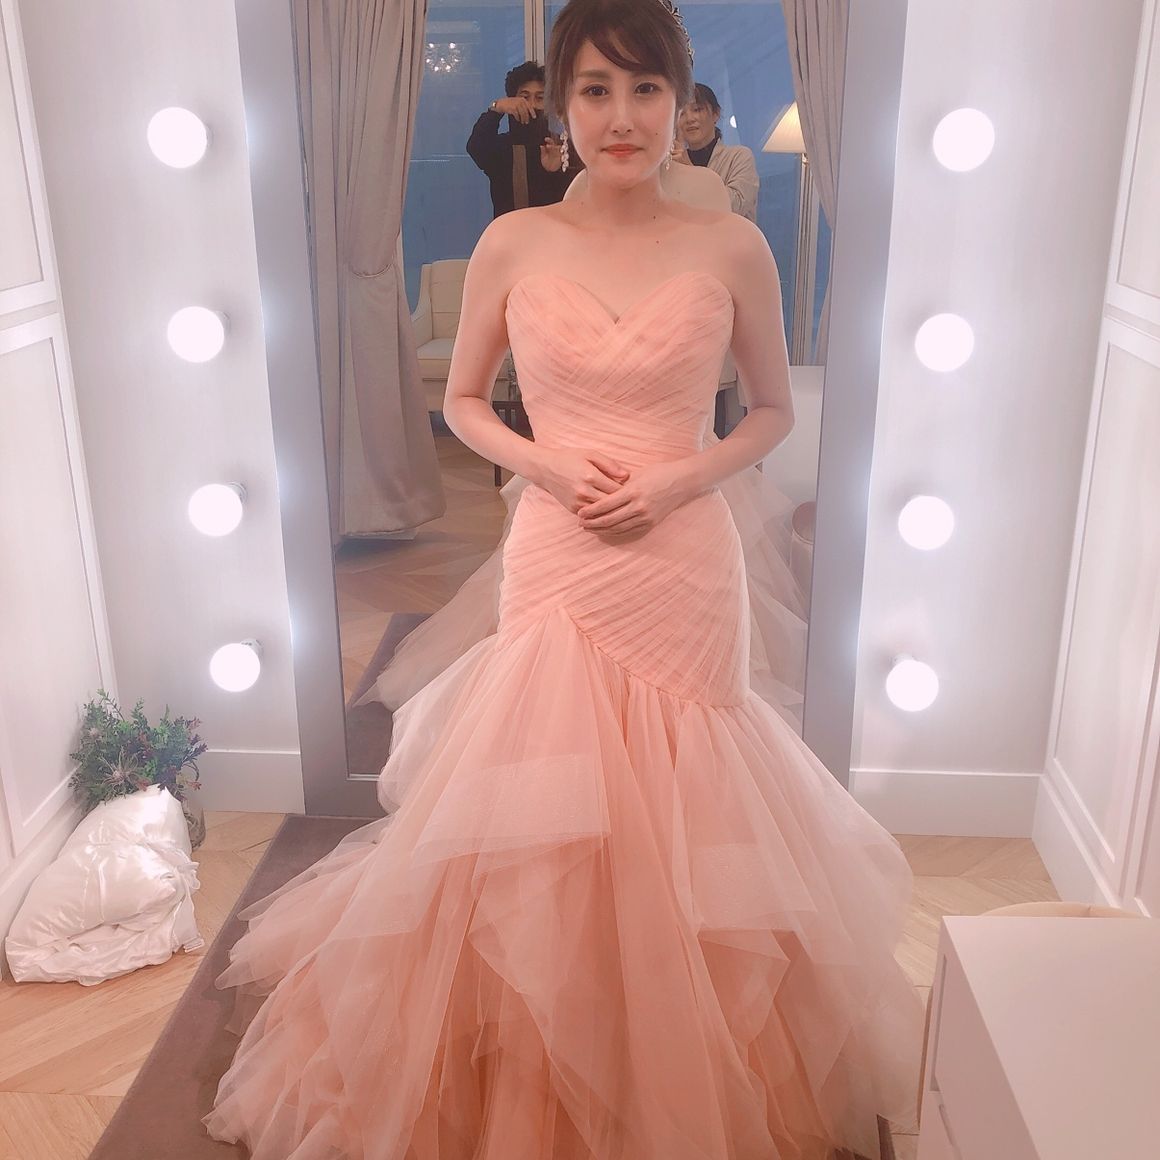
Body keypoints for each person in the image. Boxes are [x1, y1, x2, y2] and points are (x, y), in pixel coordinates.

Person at [204, 1, 925, 1157]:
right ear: (557, 106)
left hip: (681, 559)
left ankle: (677, 1062)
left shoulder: (729, 245)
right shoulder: (515, 242)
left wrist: (682, 476)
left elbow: (770, 411)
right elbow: (463, 400)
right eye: (594, 89)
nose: (620, 116)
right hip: (556, 548)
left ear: (681, 103)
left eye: (645, 90)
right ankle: (530, 1056)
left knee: (683, 796)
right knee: (537, 797)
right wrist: (541, 462)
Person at [467, 60, 577, 217]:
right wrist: (497, 108)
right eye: (524, 97)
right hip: (508, 231)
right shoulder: (501, 148)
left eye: (539, 98)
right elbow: (475, 146)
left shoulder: (561, 147)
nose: (531, 105)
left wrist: (556, 171)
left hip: (554, 230)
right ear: (512, 100)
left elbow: (576, 198)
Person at [677, 81, 760, 221]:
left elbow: (736, 206)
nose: (689, 119)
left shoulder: (739, 156)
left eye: (697, 109)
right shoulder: (672, 164)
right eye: (681, 113)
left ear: (716, 114)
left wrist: (688, 169)